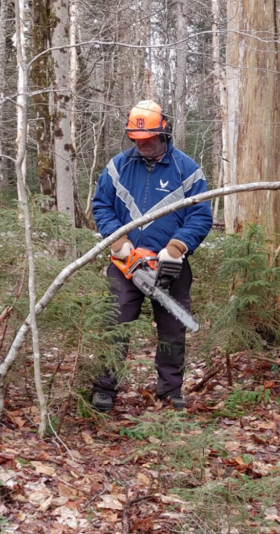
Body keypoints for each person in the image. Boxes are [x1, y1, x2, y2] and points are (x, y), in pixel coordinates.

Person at [90, 100, 213, 412]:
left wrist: (177, 247)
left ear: (164, 132)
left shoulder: (187, 170)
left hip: (169, 265)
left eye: (149, 140)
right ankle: (104, 387)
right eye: (137, 140)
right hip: (125, 264)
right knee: (114, 324)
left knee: (172, 329)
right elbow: (101, 205)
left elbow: (200, 216)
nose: (142, 145)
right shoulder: (117, 167)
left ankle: (170, 392)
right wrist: (117, 239)